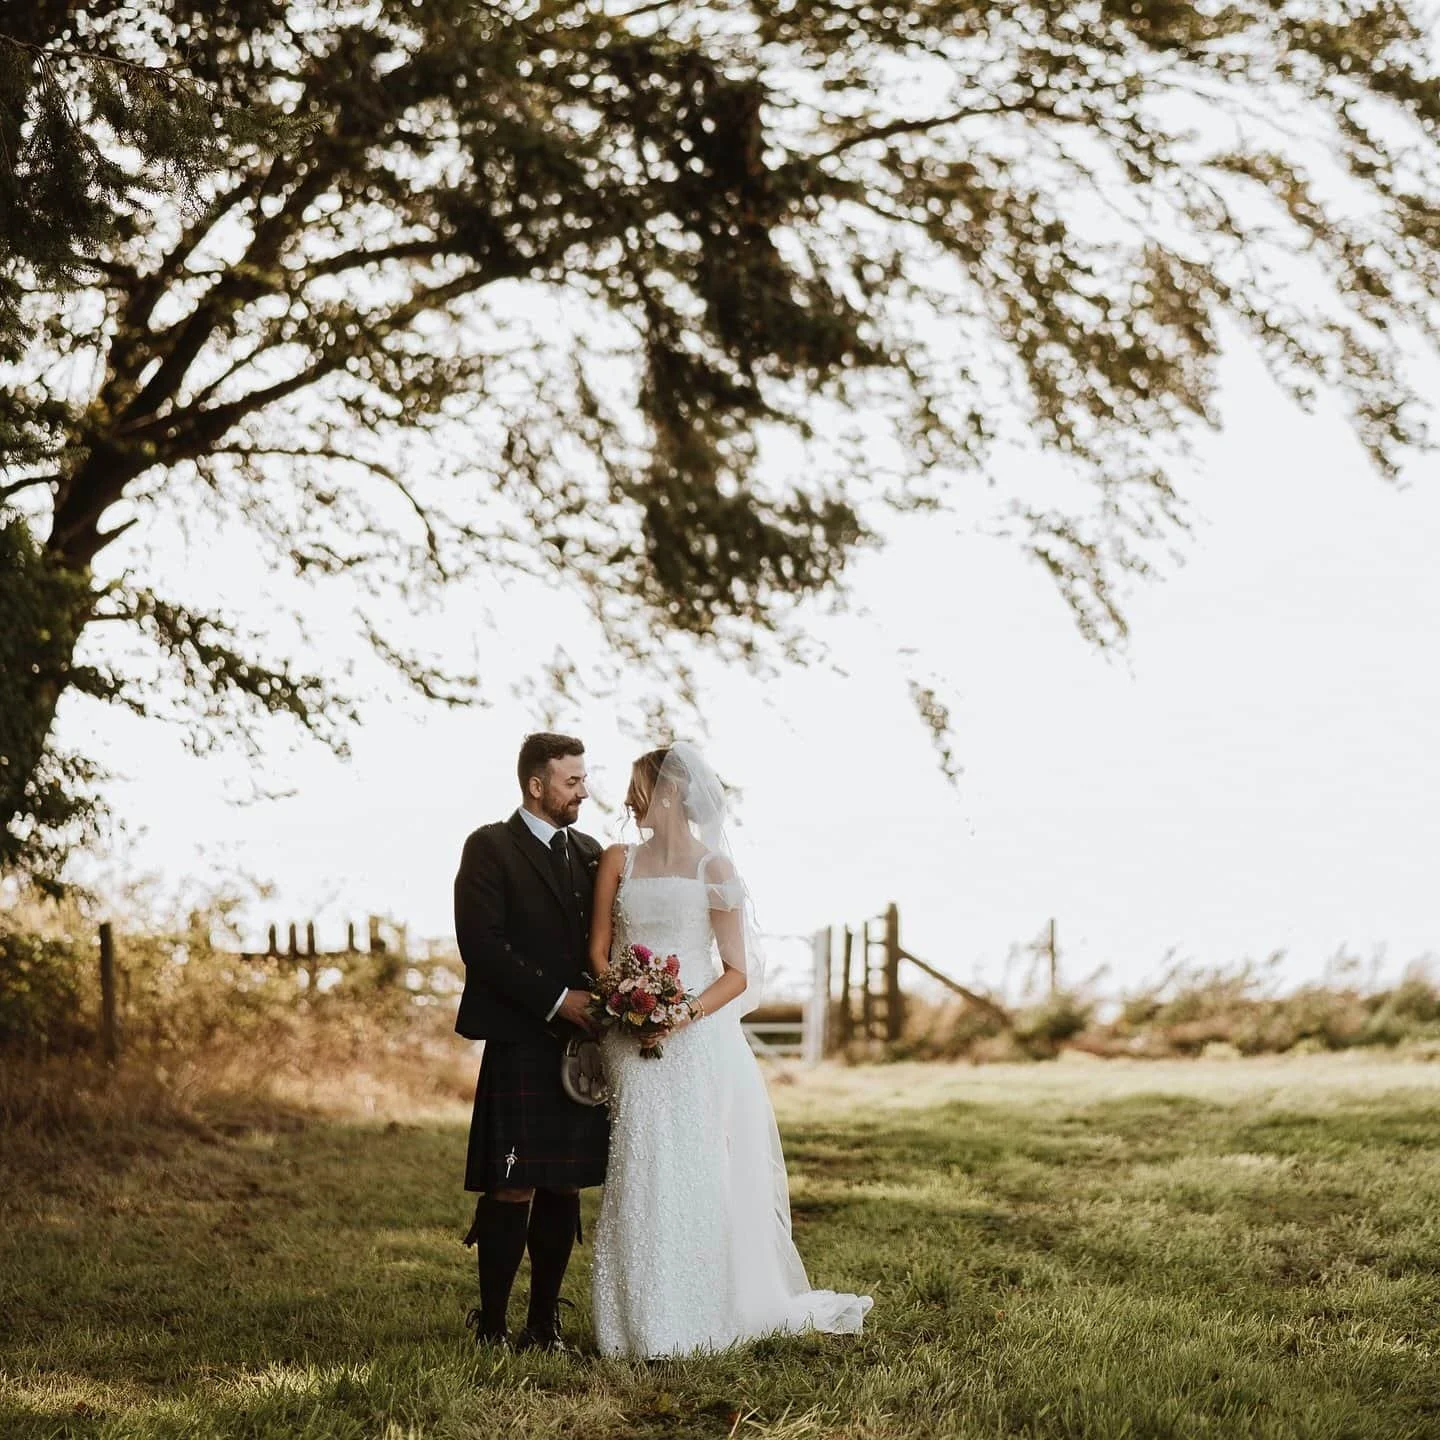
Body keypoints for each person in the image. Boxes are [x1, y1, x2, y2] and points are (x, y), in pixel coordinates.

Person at [587, 741, 873, 1357]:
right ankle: (633, 1321)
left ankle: (701, 1309)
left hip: (696, 1038)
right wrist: (624, 1002)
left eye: (637, 787)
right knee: (639, 1162)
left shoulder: (714, 870)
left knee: (696, 1167)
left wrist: (676, 1013)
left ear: (665, 792)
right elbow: (598, 947)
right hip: (627, 1034)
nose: (627, 800)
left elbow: (736, 972)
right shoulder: (618, 860)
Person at [452, 732, 608, 1351]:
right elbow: (482, 945)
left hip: (580, 1052)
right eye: (572, 781)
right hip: (521, 1040)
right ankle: (492, 1325)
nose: (583, 790)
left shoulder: (593, 852)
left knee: (564, 1181)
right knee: (513, 1181)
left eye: (583, 778)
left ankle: (543, 1323)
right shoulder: (490, 847)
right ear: (536, 785)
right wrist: (558, 1000)